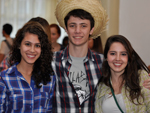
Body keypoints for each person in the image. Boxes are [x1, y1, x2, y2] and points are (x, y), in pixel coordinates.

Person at [52, 0, 108, 112]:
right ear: (66, 29)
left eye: (83, 26)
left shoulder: (103, 62)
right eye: (72, 26)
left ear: (91, 29)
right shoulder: (52, 61)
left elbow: (124, 81)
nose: (78, 31)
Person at [0, 21, 55, 113]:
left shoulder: (48, 78)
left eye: (37, 45)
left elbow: (49, 110)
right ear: (19, 45)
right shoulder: (5, 78)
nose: (32, 50)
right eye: (28, 44)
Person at [95, 35, 150, 113]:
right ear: (106, 56)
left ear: (129, 57)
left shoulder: (140, 77)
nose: (118, 58)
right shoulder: (102, 84)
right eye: (113, 53)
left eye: (123, 54)